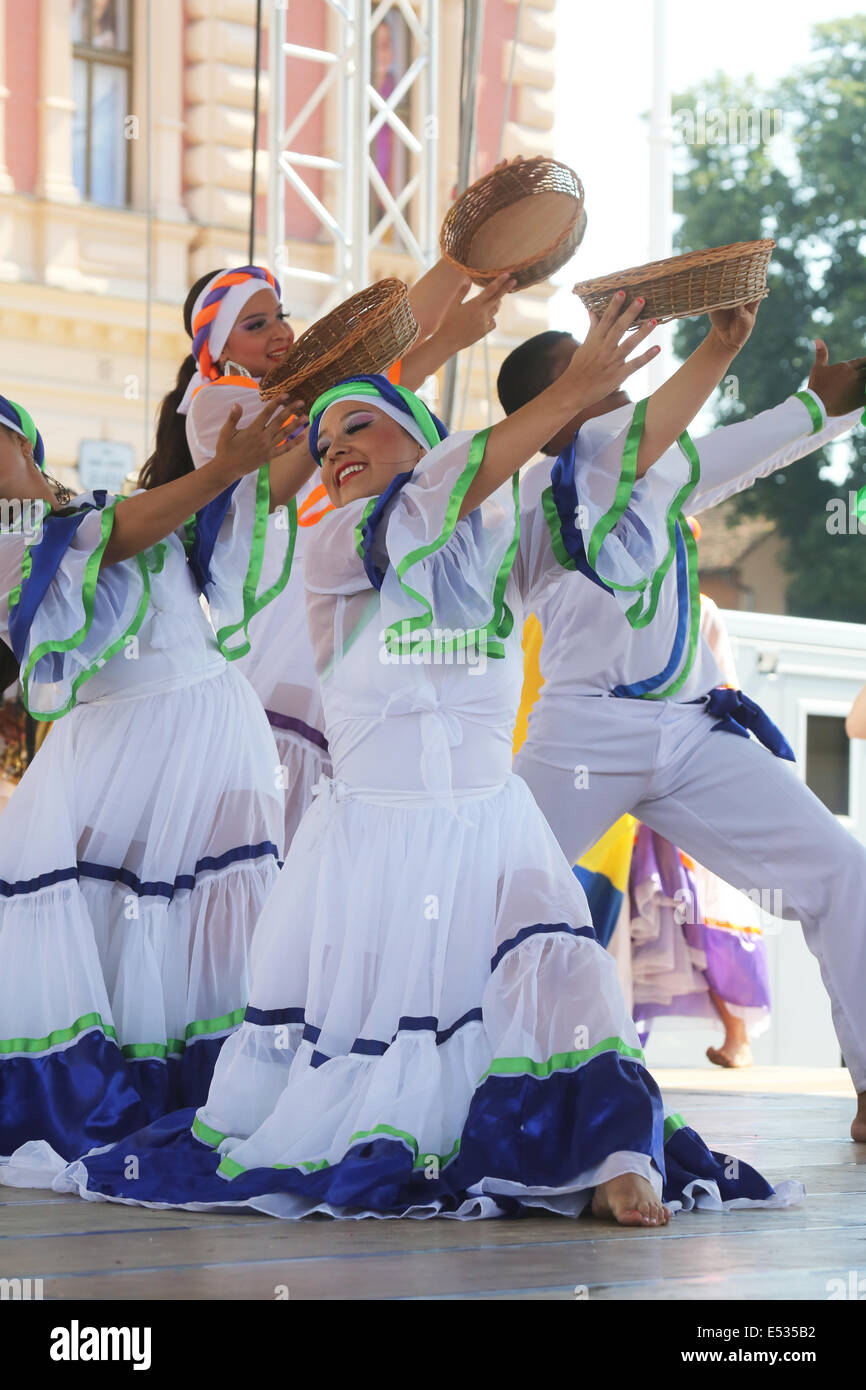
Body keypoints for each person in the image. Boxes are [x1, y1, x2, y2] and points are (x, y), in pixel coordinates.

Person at [32, 298, 799, 1223]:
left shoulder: (491, 535)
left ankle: (610, 1148)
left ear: (420, 437)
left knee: (561, 967)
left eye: (362, 424)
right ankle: (494, 1151)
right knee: (382, 1074)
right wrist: (571, 392)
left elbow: (618, 459)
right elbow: (452, 486)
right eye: (323, 444)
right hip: (374, 844)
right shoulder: (339, 542)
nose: (336, 449)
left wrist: (713, 351)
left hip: (491, 822)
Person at [501, 327, 866, 1139]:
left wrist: (829, 410)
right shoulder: (533, 496)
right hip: (584, 734)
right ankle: (451, 1087)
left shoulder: (663, 469)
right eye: (594, 377)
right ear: (549, 416)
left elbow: (752, 449)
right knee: (490, 893)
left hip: (697, 728)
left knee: (843, 871)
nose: (624, 384)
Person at [0, 388, 312, 1161]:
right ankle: (144, 1091)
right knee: (129, 917)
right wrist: (226, 467)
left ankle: (239, 1087)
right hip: (120, 749)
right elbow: (123, 536)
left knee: (221, 911)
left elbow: (236, 506)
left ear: (23, 441)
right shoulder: (15, 542)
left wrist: (311, 437)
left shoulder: (114, 505)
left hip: (216, 726)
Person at [150, 261, 513, 849]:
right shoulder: (220, 401)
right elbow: (286, 467)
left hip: (343, 605)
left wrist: (460, 273)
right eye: (256, 323)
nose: (280, 332)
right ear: (219, 348)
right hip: (290, 617)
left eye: (281, 316)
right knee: (278, 831)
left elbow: (377, 380)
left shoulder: (308, 399)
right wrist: (446, 309)